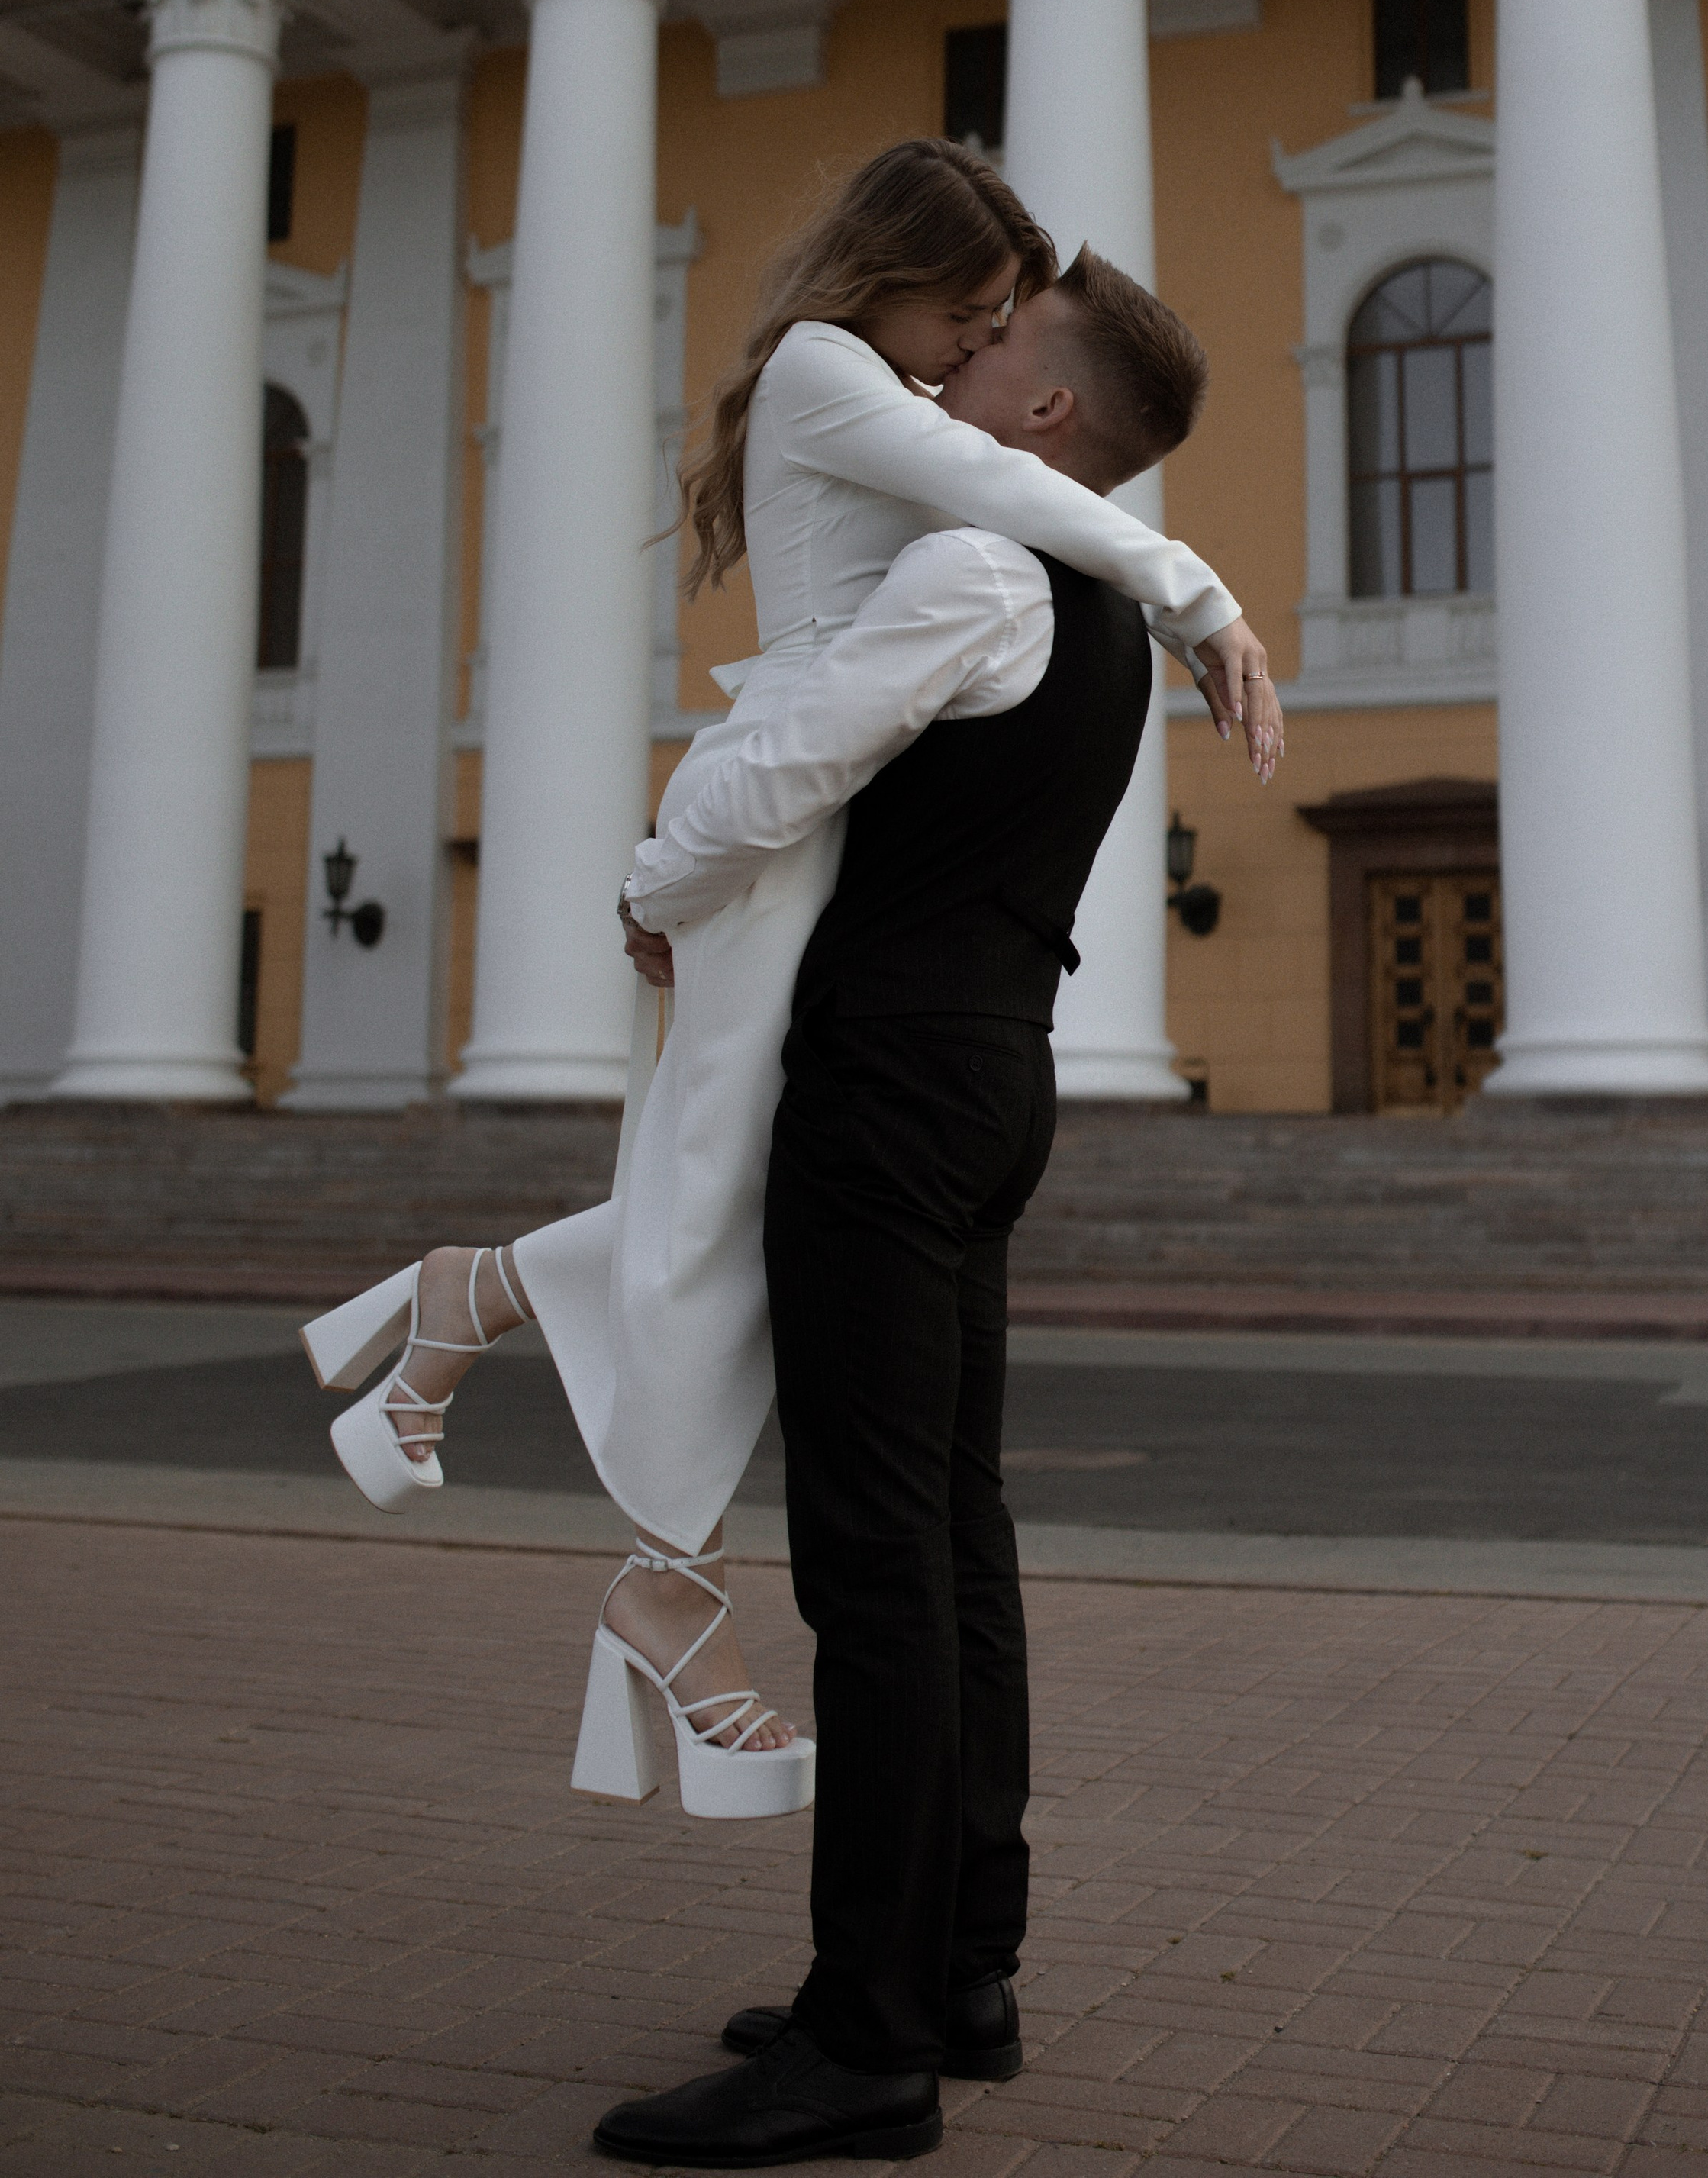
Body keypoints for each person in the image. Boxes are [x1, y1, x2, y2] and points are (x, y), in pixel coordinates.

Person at [301, 141, 1281, 1817]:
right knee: (723, 1195)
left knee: (734, 1196)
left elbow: (1029, 501)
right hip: (780, 830)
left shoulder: (902, 431)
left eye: (996, 329)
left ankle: (511, 1353)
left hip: (805, 832)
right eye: (968, 313)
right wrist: (1199, 597)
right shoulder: (834, 372)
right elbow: (1030, 502)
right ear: (899, 274)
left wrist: (1186, 599)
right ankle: (647, 1559)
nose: (969, 350)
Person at [590, 247, 1213, 2165]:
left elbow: (772, 774)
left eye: (993, 342)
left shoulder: (972, 571)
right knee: (951, 1542)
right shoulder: (1102, 611)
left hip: (883, 1089)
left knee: (873, 1565)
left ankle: (862, 2043)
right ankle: (957, 1974)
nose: (948, 365)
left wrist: (650, 885)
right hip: (993, 1071)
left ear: (1046, 409)